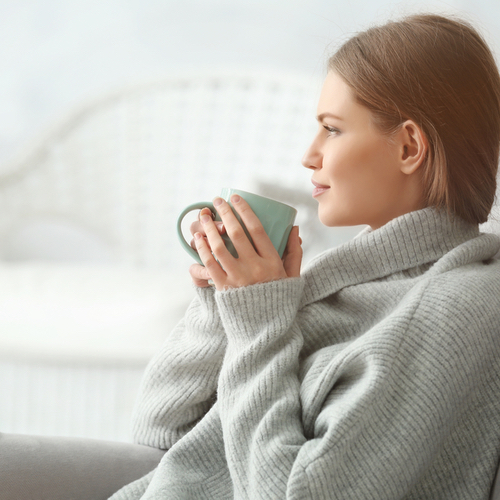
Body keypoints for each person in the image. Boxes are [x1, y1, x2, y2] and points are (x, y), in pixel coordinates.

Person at [1, 12, 499, 500]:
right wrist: (224, 304)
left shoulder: (454, 308)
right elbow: (162, 433)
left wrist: (259, 320)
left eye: (332, 128)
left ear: (410, 146)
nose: (309, 154)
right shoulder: (346, 281)